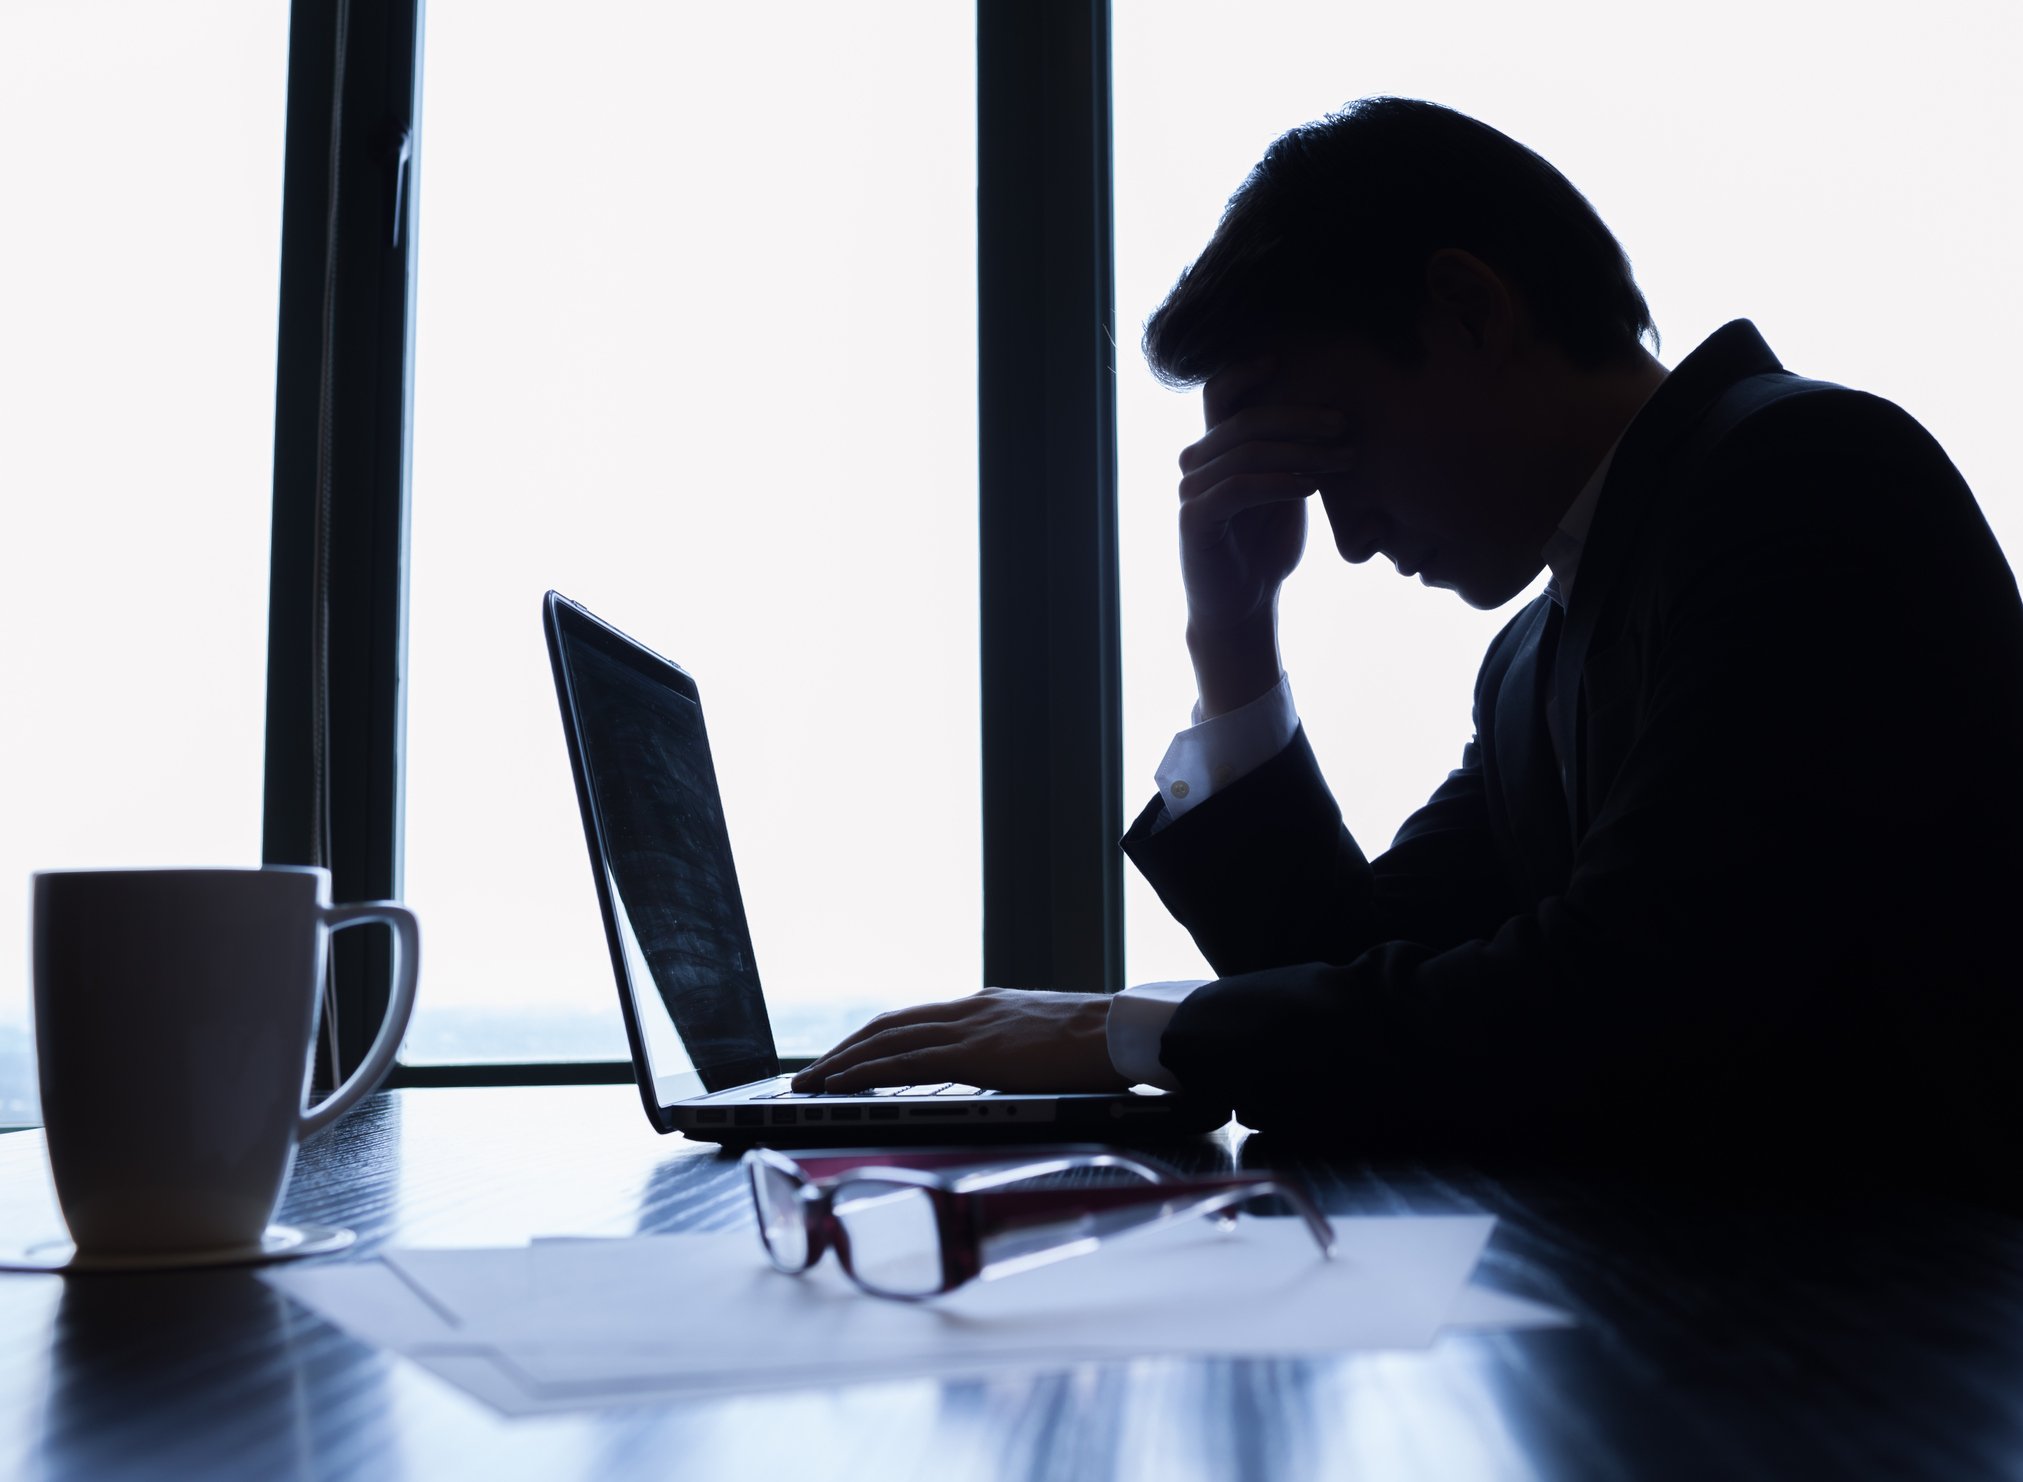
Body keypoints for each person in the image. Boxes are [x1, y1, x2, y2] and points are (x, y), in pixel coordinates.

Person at [797, 98, 2023, 1174]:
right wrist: (1232, 632)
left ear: (1466, 311)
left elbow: (1628, 998)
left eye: (1335, 452)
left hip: (1890, 1360)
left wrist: (1129, 1032)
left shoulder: (1802, 477)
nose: (1345, 538)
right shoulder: (1537, 653)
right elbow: (1351, 973)